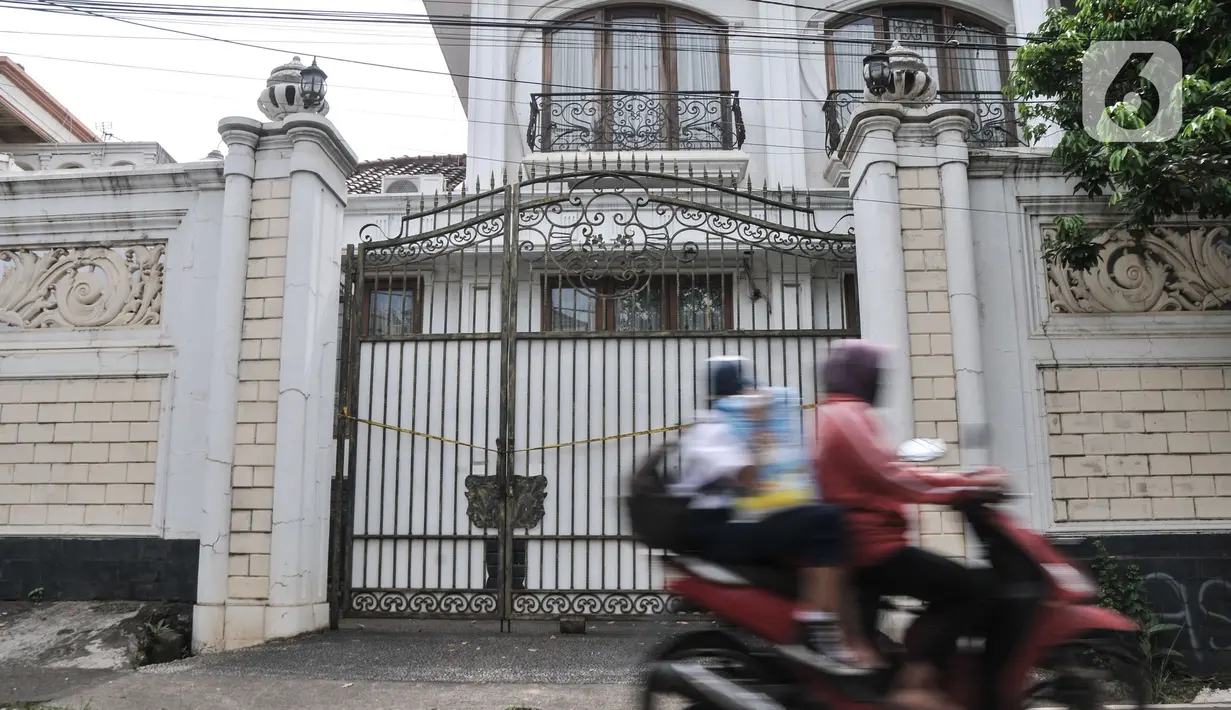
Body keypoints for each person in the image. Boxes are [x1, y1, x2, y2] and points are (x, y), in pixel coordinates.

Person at [813, 340, 1009, 710]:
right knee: (972, 588)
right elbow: (892, 478)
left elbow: (891, 470)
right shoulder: (848, 417)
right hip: (874, 548)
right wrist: (966, 485)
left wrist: (955, 482)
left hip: (863, 545)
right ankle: (917, 677)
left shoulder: (836, 414)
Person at [672, 355, 872, 676]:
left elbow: (765, 482)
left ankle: (848, 637)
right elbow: (749, 478)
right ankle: (814, 628)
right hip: (718, 531)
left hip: (737, 520)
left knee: (823, 521)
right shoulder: (713, 431)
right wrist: (761, 422)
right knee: (827, 521)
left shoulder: (727, 426)